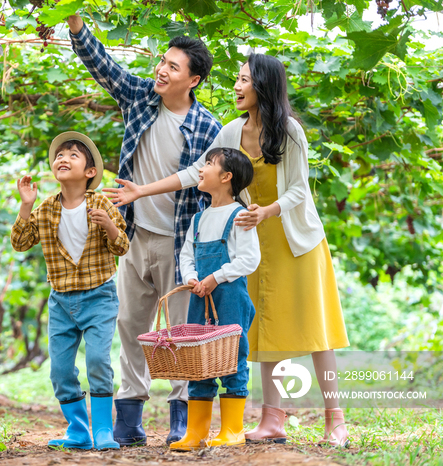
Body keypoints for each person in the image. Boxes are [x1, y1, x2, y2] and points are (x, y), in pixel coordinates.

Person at [105, 53, 351, 448]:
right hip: (251, 242)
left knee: (315, 329)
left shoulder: (288, 131)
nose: (237, 87)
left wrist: (266, 211)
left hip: (294, 239)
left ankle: (334, 420)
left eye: (244, 81)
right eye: (237, 79)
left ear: (264, 87)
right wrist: (141, 190)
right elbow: (195, 172)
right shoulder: (231, 131)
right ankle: (272, 419)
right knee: (263, 328)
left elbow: (299, 189)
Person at [67, 14, 222, 446]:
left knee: (179, 334)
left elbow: (205, 186)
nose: (162, 70)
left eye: (174, 67)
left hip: (180, 241)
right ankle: (129, 418)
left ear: (192, 80)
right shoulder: (139, 98)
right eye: (163, 62)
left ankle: (181, 418)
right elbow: (102, 65)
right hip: (135, 237)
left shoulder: (207, 127)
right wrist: (77, 25)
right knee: (132, 325)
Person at [11, 132, 130, 450]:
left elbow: (122, 247)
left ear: (90, 172)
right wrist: (26, 205)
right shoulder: (47, 208)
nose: (63, 158)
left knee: (97, 361)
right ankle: (78, 430)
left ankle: (104, 429)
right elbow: (21, 242)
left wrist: (108, 225)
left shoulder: (101, 203)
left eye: (73, 155)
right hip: (61, 301)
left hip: (99, 297)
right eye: (59, 155)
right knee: (60, 369)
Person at [170, 147, 259, 450]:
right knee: (198, 359)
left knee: (232, 357)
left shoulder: (240, 216)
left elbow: (249, 260)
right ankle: (196, 433)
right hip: (200, 298)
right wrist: (192, 278)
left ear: (225, 177)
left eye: (208, 163)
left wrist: (215, 277)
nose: (201, 168)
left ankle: (232, 430)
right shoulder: (199, 218)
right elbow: (186, 256)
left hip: (230, 296)